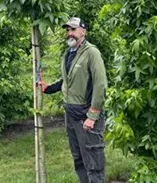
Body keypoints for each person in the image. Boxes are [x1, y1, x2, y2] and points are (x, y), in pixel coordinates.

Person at [41, 16, 108, 183]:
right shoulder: (69, 54)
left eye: (73, 29)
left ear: (83, 32)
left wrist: (93, 115)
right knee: (78, 158)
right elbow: (68, 81)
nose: (69, 33)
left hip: (86, 115)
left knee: (93, 160)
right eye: (67, 30)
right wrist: (48, 88)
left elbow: (100, 84)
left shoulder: (91, 53)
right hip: (70, 115)